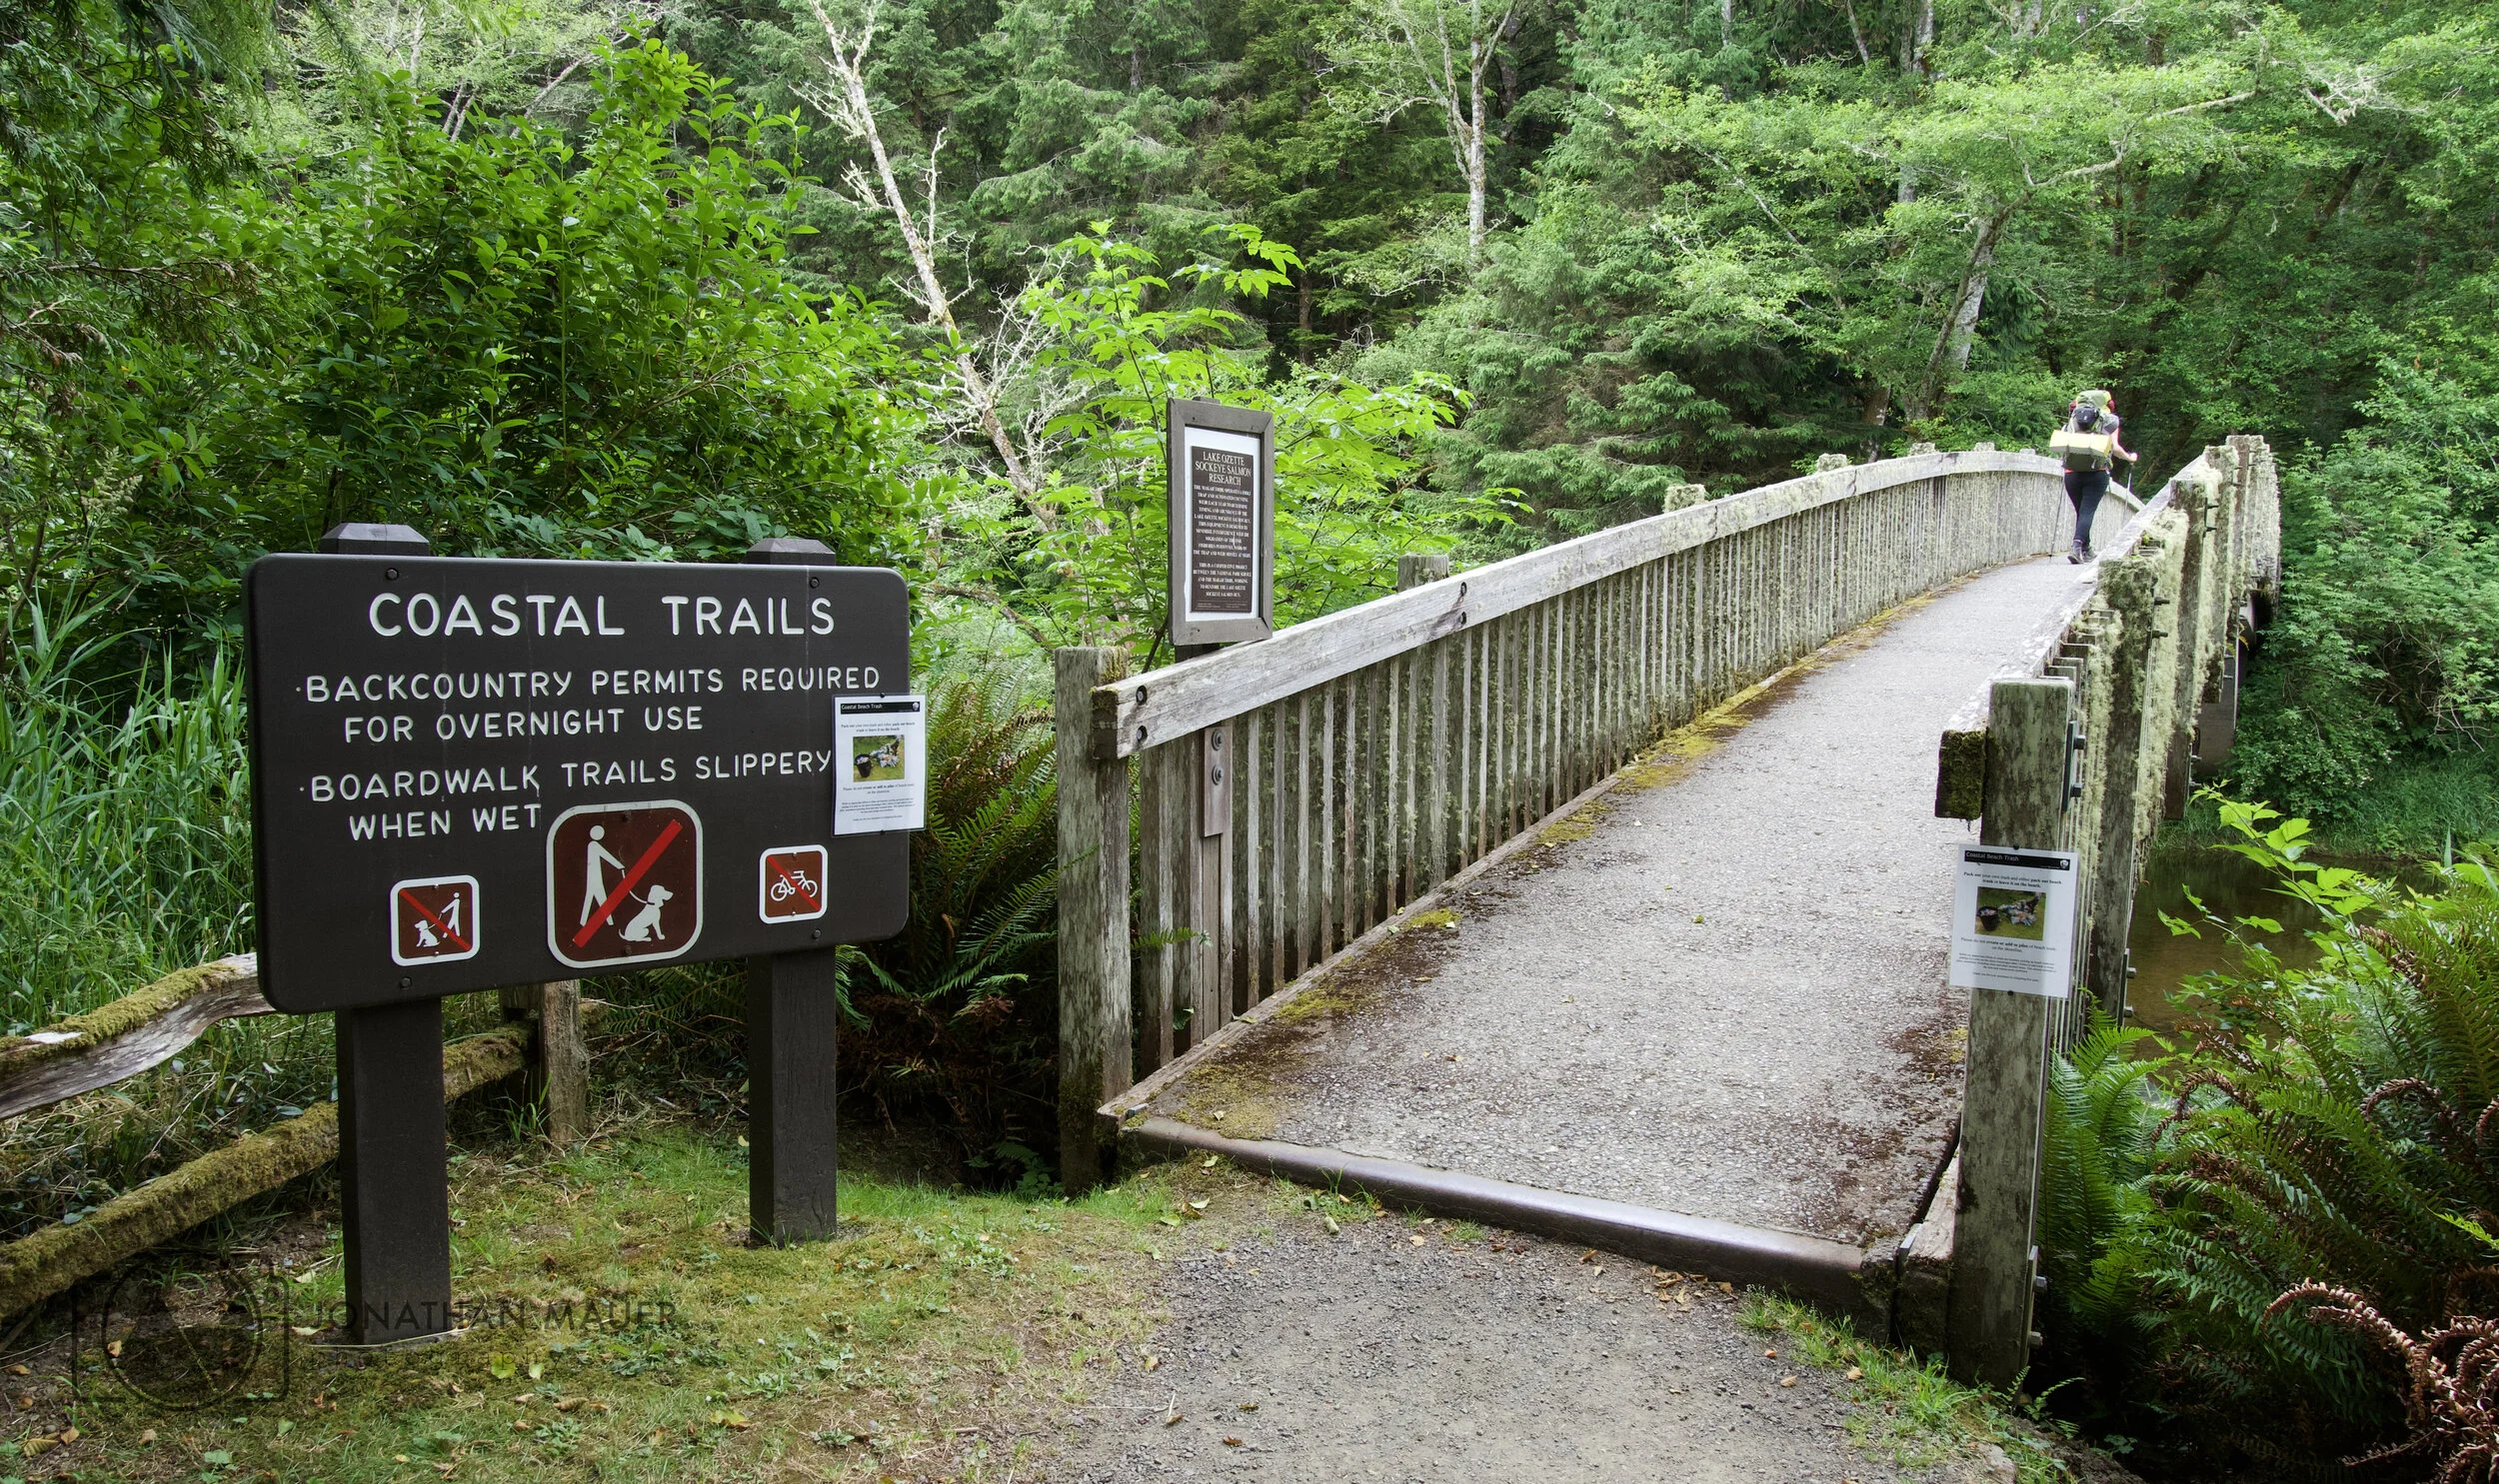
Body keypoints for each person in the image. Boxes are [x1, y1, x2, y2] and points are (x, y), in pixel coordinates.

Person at [2058, 389, 2135, 563]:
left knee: (2082, 511)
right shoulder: (2109, 422)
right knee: (2087, 511)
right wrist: (2130, 457)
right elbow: (2115, 448)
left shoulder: (2073, 420)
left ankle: (2087, 548)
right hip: (2097, 473)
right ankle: (2077, 547)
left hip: (2072, 474)